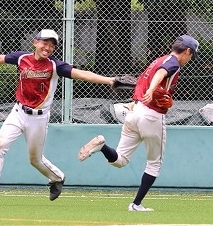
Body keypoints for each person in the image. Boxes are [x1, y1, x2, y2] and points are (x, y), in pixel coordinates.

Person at [0, 29, 115, 203]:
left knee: (35, 160)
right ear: (35, 42)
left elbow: (82, 74)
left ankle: (57, 178)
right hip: (18, 112)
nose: (48, 48)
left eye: (52, 45)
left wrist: (109, 80)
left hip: (38, 118)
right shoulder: (22, 58)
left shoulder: (55, 66)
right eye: (45, 43)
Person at [77, 34, 199, 212]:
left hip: (135, 112)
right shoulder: (172, 63)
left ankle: (102, 146)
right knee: (154, 164)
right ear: (187, 51)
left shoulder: (157, 60)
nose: (190, 59)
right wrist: (151, 90)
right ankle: (136, 204)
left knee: (120, 160)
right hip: (152, 116)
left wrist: (143, 95)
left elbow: (147, 80)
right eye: (191, 55)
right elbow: (162, 73)